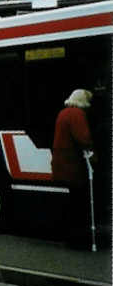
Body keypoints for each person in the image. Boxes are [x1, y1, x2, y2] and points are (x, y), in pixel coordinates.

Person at [51, 89, 94, 249]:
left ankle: (69, 237)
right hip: (73, 166)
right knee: (79, 204)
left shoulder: (63, 113)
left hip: (62, 164)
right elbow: (84, 138)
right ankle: (79, 239)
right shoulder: (77, 114)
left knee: (70, 203)